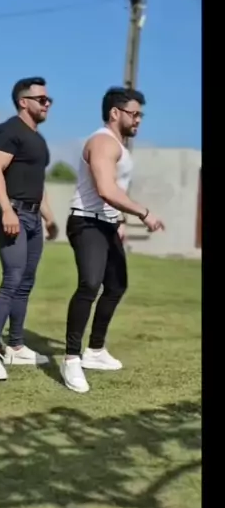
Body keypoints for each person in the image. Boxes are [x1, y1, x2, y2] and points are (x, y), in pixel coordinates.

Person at [61, 86, 165, 394]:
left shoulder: (119, 146)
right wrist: (143, 212)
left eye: (141, 115)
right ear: (115, 113)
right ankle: (71, 359)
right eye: (134, 114)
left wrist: (118, 220)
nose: (139, 120)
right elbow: (106, 189)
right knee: (90, 285)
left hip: (106, 223)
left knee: (117, 285)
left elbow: (114, 192)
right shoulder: (103, 142)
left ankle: (95, 351)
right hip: (86, 222)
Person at [0, 77, 58, 381]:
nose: (47, 104)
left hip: (33, 217)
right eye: (42, 99)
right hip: (12, 214)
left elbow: (38, 183)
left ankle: (15, 346)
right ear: (24, 102)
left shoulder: (38, 139)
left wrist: (48, 217)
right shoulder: (8, 131)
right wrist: (7, 210)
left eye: (48, 100)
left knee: (25, 282)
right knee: (12, 279)